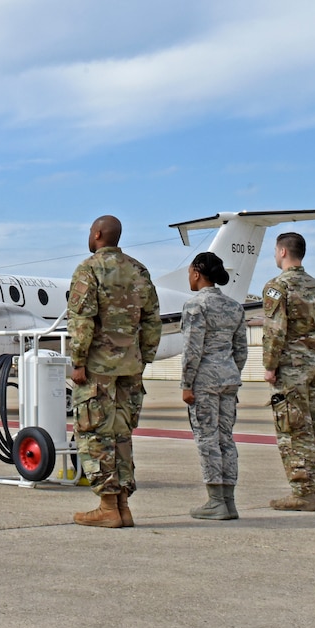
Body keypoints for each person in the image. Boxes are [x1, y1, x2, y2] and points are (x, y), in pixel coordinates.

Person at [65, 215, 162, 528]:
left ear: (97, 234)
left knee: (96, 432)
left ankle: (108, 506)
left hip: (98, 368)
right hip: (129, 367)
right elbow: (151, 320)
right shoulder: (139, 270)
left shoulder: (89, 268)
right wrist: (143, 358)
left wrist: (78, 362)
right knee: (122, 433)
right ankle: (122, 505)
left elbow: (82, 320)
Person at [262, 231, 315, 512]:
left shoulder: (276, 287)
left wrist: (269, 364)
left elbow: (275, 330)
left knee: (292, 429)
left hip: (292, 366)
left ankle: (303, 492)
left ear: (281, 252)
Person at [180, 250, 247, 521]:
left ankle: (215, 501)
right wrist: (231, 372)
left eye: (189, 274)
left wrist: (187, 384)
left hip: (204, 382)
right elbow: (241, 349)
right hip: (228, 380)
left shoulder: (196, 305)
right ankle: (229, 501)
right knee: (226, 439)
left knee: (207, 439)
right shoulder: (234, 306)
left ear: (197, 273)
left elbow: (192, 349)